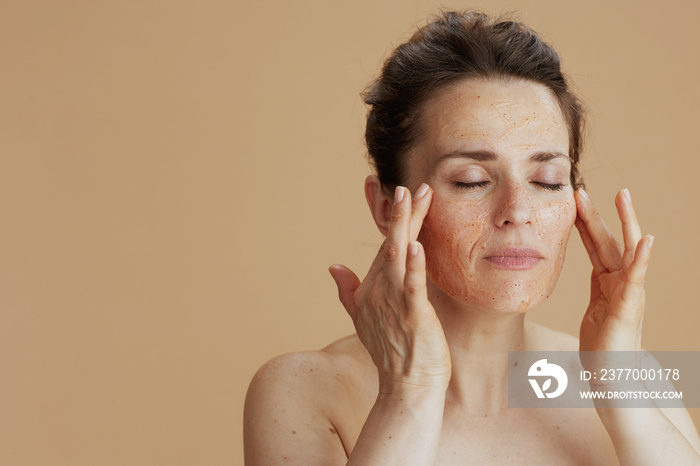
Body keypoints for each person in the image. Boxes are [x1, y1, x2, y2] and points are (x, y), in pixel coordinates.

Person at [243, 10, 700, 465]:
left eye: (546, 179)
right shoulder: (302, 390)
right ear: (387, 206)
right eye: (470, 180)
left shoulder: (637, 375)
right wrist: (409, 391)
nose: (518, 212)